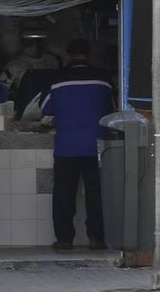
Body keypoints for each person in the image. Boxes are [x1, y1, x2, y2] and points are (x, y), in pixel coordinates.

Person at [40, 38, 114, 251]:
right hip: (96, 146)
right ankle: (96, 238)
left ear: (69, 55)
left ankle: (64, 239)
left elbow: (45, 108)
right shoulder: (103, 79)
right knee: (96, 194)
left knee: (64, 194)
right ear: (87, 55)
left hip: (66, 146)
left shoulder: (58, 78)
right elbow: (112, 109)